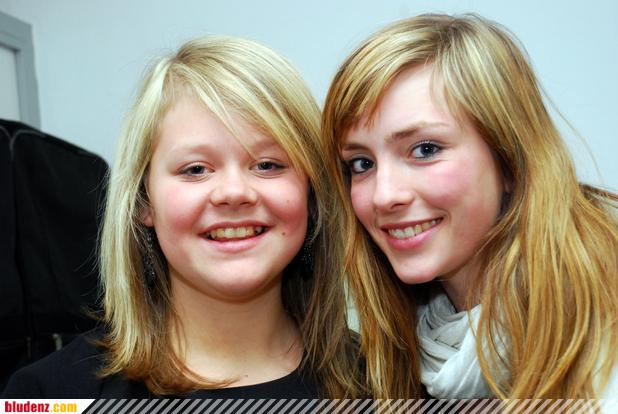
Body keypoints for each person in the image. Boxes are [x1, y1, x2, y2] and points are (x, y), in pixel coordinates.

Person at [3, 35, 363, 398]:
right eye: (195, 169)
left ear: (311, 196)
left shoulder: (378, 380)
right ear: (144, 202)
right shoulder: (45, 395)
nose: (233, 192)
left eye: (267, 165)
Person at [322, 13, 618, 400]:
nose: (383, 195)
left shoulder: (604, 324)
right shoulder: (396, 345)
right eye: (362, 163)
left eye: (425, 149)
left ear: (509, 160)